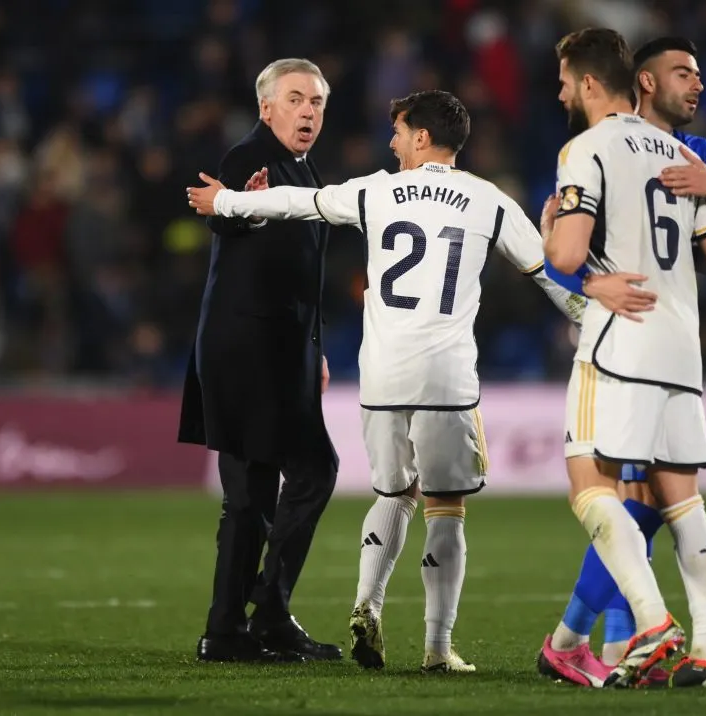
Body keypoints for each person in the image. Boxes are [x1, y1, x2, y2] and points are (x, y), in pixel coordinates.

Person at [188, 90, 588, 673]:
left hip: (382, 374)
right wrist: (596, 318)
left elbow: (301, 202)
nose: (393, 140)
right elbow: (548, 274)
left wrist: (224, 202)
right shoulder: (487, 199)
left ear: (422, 137)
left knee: (392, 493)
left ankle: (364, 605)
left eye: (399, 130)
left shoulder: (377, 190)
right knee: (445, 505)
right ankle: (435, 647)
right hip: (447, 378)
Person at [539, 36, 706, 687]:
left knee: (587, 479)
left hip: (622, 338)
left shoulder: (586, 148)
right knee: (678, 497)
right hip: (683, 344)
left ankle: (648, 623)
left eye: (566, 81)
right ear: (643, 83)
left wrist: (569, 256)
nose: (561, 94)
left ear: (593, 83)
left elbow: (563, 259)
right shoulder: (681, 153)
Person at [179, 58, 342, 664]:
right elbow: (226, 214)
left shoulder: (301, 167)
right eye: (296, 99)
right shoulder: (247, 160)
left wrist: (314, 348)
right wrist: (237, 208)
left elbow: (299, 270)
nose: (309, 111)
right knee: (272, 485)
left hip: (283, 350)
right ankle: (243, 622)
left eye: (318, 101)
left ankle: (254, 618)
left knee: (274, 487)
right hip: (245, 350)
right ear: (266, 107)